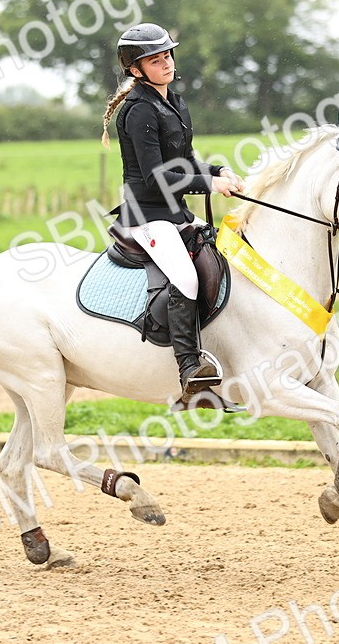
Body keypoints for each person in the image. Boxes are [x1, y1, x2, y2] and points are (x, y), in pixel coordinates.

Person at [101, 22, 245, 411]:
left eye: (167, 55)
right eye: (154, 59)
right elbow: (156, 176)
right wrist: (208, 185)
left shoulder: (173, 103)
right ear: (135, 70)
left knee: (226, 257)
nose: (165, 63)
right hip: (146, 216)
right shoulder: (137, 112)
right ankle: (188, 371)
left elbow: (184, 162)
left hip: (175, 212)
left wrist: (215, 172)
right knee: (184, 276)